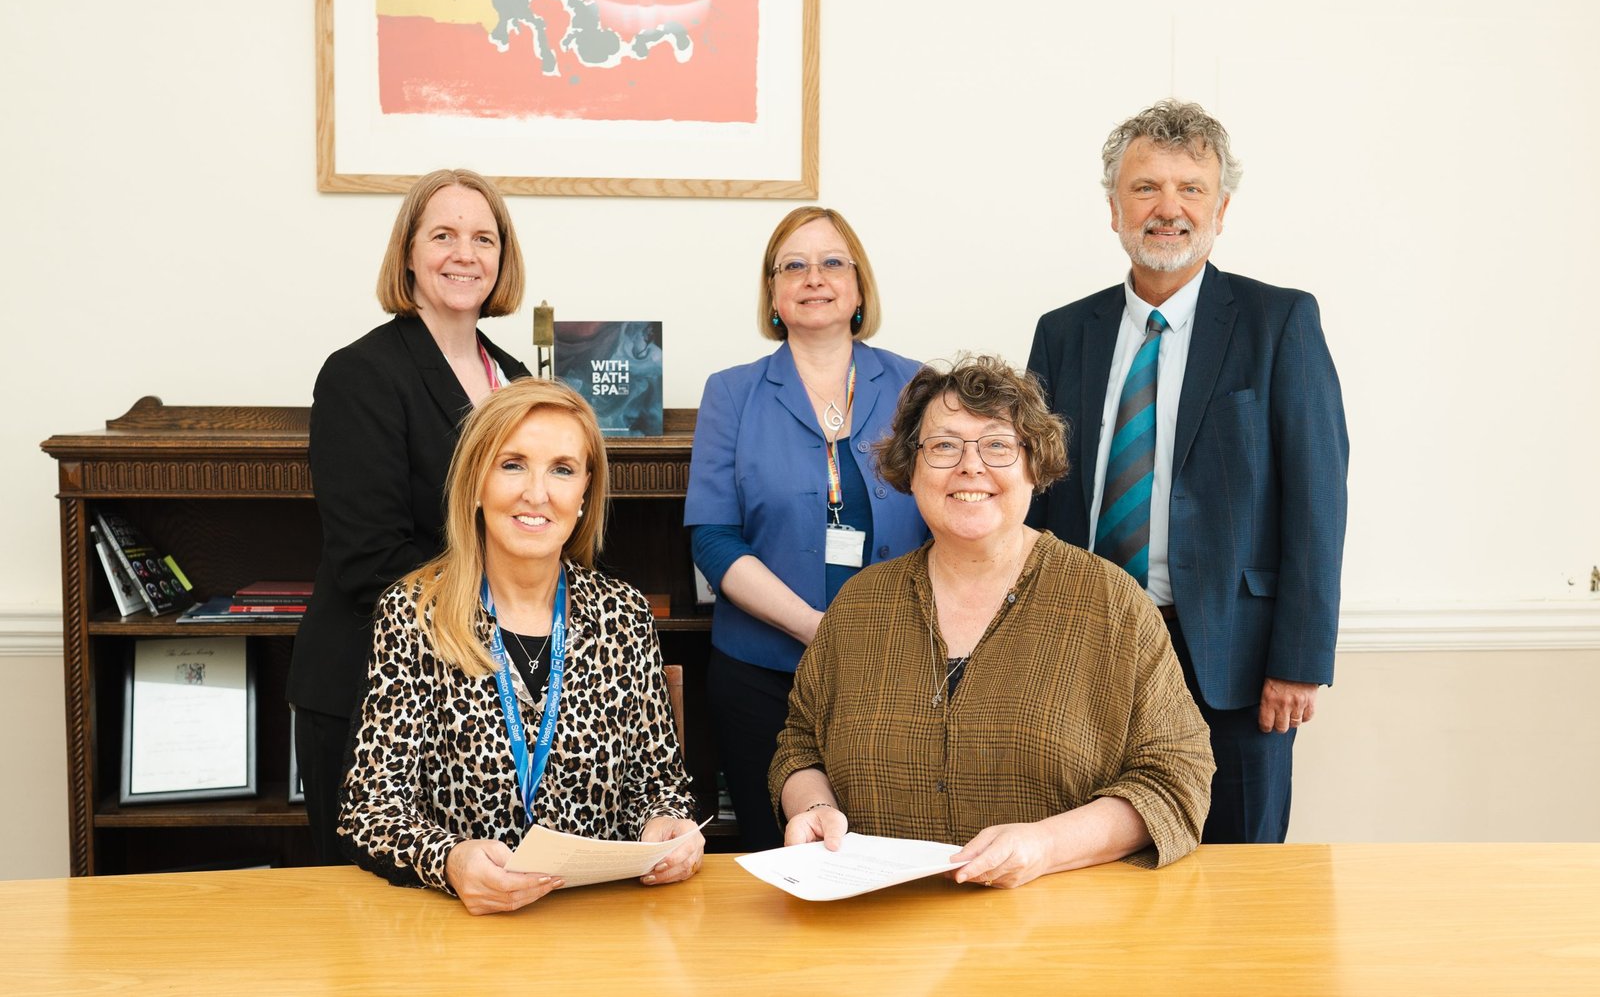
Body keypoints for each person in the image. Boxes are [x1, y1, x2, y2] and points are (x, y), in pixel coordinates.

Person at [1026, 99, 1349, 844]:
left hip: (1233, 663)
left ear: (1221, 208)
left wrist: (1299, 661)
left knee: (1240, 876)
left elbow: (1317, 500)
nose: (1168, 208)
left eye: (1190, 189)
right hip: (1086, 651)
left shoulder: (1280, 323)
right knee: (1097, 868)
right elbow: (1036, 501)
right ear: (1114, 208)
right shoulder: (1064, 332)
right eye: (1145, 188)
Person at [771, 356, 1213, 886]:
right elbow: (801, 743)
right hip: (880, 931)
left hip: (1059, 935)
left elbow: (1177, 776)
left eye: (998, 445)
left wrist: (1045, 846)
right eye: (943, 446)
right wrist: (813, 808)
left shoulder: (1110, 603)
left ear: (1034, 464)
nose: (970, 466)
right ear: (911, 469)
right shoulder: (861, 605)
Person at [339, 377, 702, 914]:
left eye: (562, 469)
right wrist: (449, 861)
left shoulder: (622, 613)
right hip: (459, 927)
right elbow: (371, 808)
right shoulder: (416, 613)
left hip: (597, 923)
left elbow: (660, 785)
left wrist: (672, 826)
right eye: (513, 464)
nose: (537, 493)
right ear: (476, 482)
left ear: (584, 493)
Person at [289, 169, 532, 863]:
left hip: (480, 690)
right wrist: (508, 605)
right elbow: (369, 557)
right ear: (408, 254)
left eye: (484, 238)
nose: (465, 254)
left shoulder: (515, 377)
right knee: (368, 925)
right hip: (372, 688)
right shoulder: (359, 373)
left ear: (502, 258)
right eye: (443, 235)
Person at [684, 206, 928, 850]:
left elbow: (952, 516)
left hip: (896, 670)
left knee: (882, 856)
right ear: (772, 293)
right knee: (778, 856)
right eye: (793, 265)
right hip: (760, 675)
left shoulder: (918, 386)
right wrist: (819, 630)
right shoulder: (732, 393)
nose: (812, 277)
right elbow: (712, 538)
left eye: (830, 262)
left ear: (858, 287)